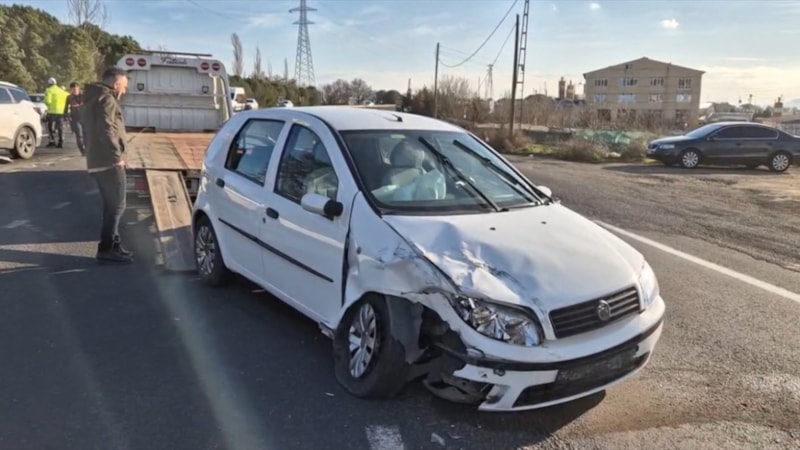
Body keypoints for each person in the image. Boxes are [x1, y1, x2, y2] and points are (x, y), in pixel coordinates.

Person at [82, 67, 133, 264]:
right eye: (124, 86)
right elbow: (106, 129)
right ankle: (106, 249)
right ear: (115, 83)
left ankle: (113, 246)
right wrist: (116, 157)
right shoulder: (107, 99)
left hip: (96, 160)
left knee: (111, 206)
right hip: (109, 162)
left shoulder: (93, 98)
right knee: (118, 206)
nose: (124, 91)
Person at [43, 78, 69, 148]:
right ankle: (61, 142)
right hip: (61, 112)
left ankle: (52, 141)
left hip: (52, 111)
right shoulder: (61, 91)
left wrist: (44, 100)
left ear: (49, 84)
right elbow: (67, 97)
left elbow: (48, 101)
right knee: (60, 127)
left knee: (48, 126)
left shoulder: (49, 90)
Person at [65, 82, 86, 155]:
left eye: (76, 89)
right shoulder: (69, 97)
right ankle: (82, 150)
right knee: (79, 134)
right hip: (75, 118)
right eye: (73, 89)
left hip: (85, 117)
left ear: (79, 88)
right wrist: (66, 116)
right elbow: (66, 108)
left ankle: (87, 148)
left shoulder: (84, 96)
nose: (74, 90)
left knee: (86, 134)